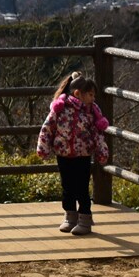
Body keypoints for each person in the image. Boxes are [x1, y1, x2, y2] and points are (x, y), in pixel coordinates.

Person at [35, 71, 111, 235]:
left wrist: (102, 151)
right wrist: (43, 147)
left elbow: (97, 134)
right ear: (78, 93)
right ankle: (70, 216)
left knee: (82, 187)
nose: (93, 98)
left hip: (83, 155)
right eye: (90, 94)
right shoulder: (60, 108)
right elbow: (48, 128)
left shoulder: (91, 112)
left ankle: (85, 219)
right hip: (63, 154)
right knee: (67, 186)